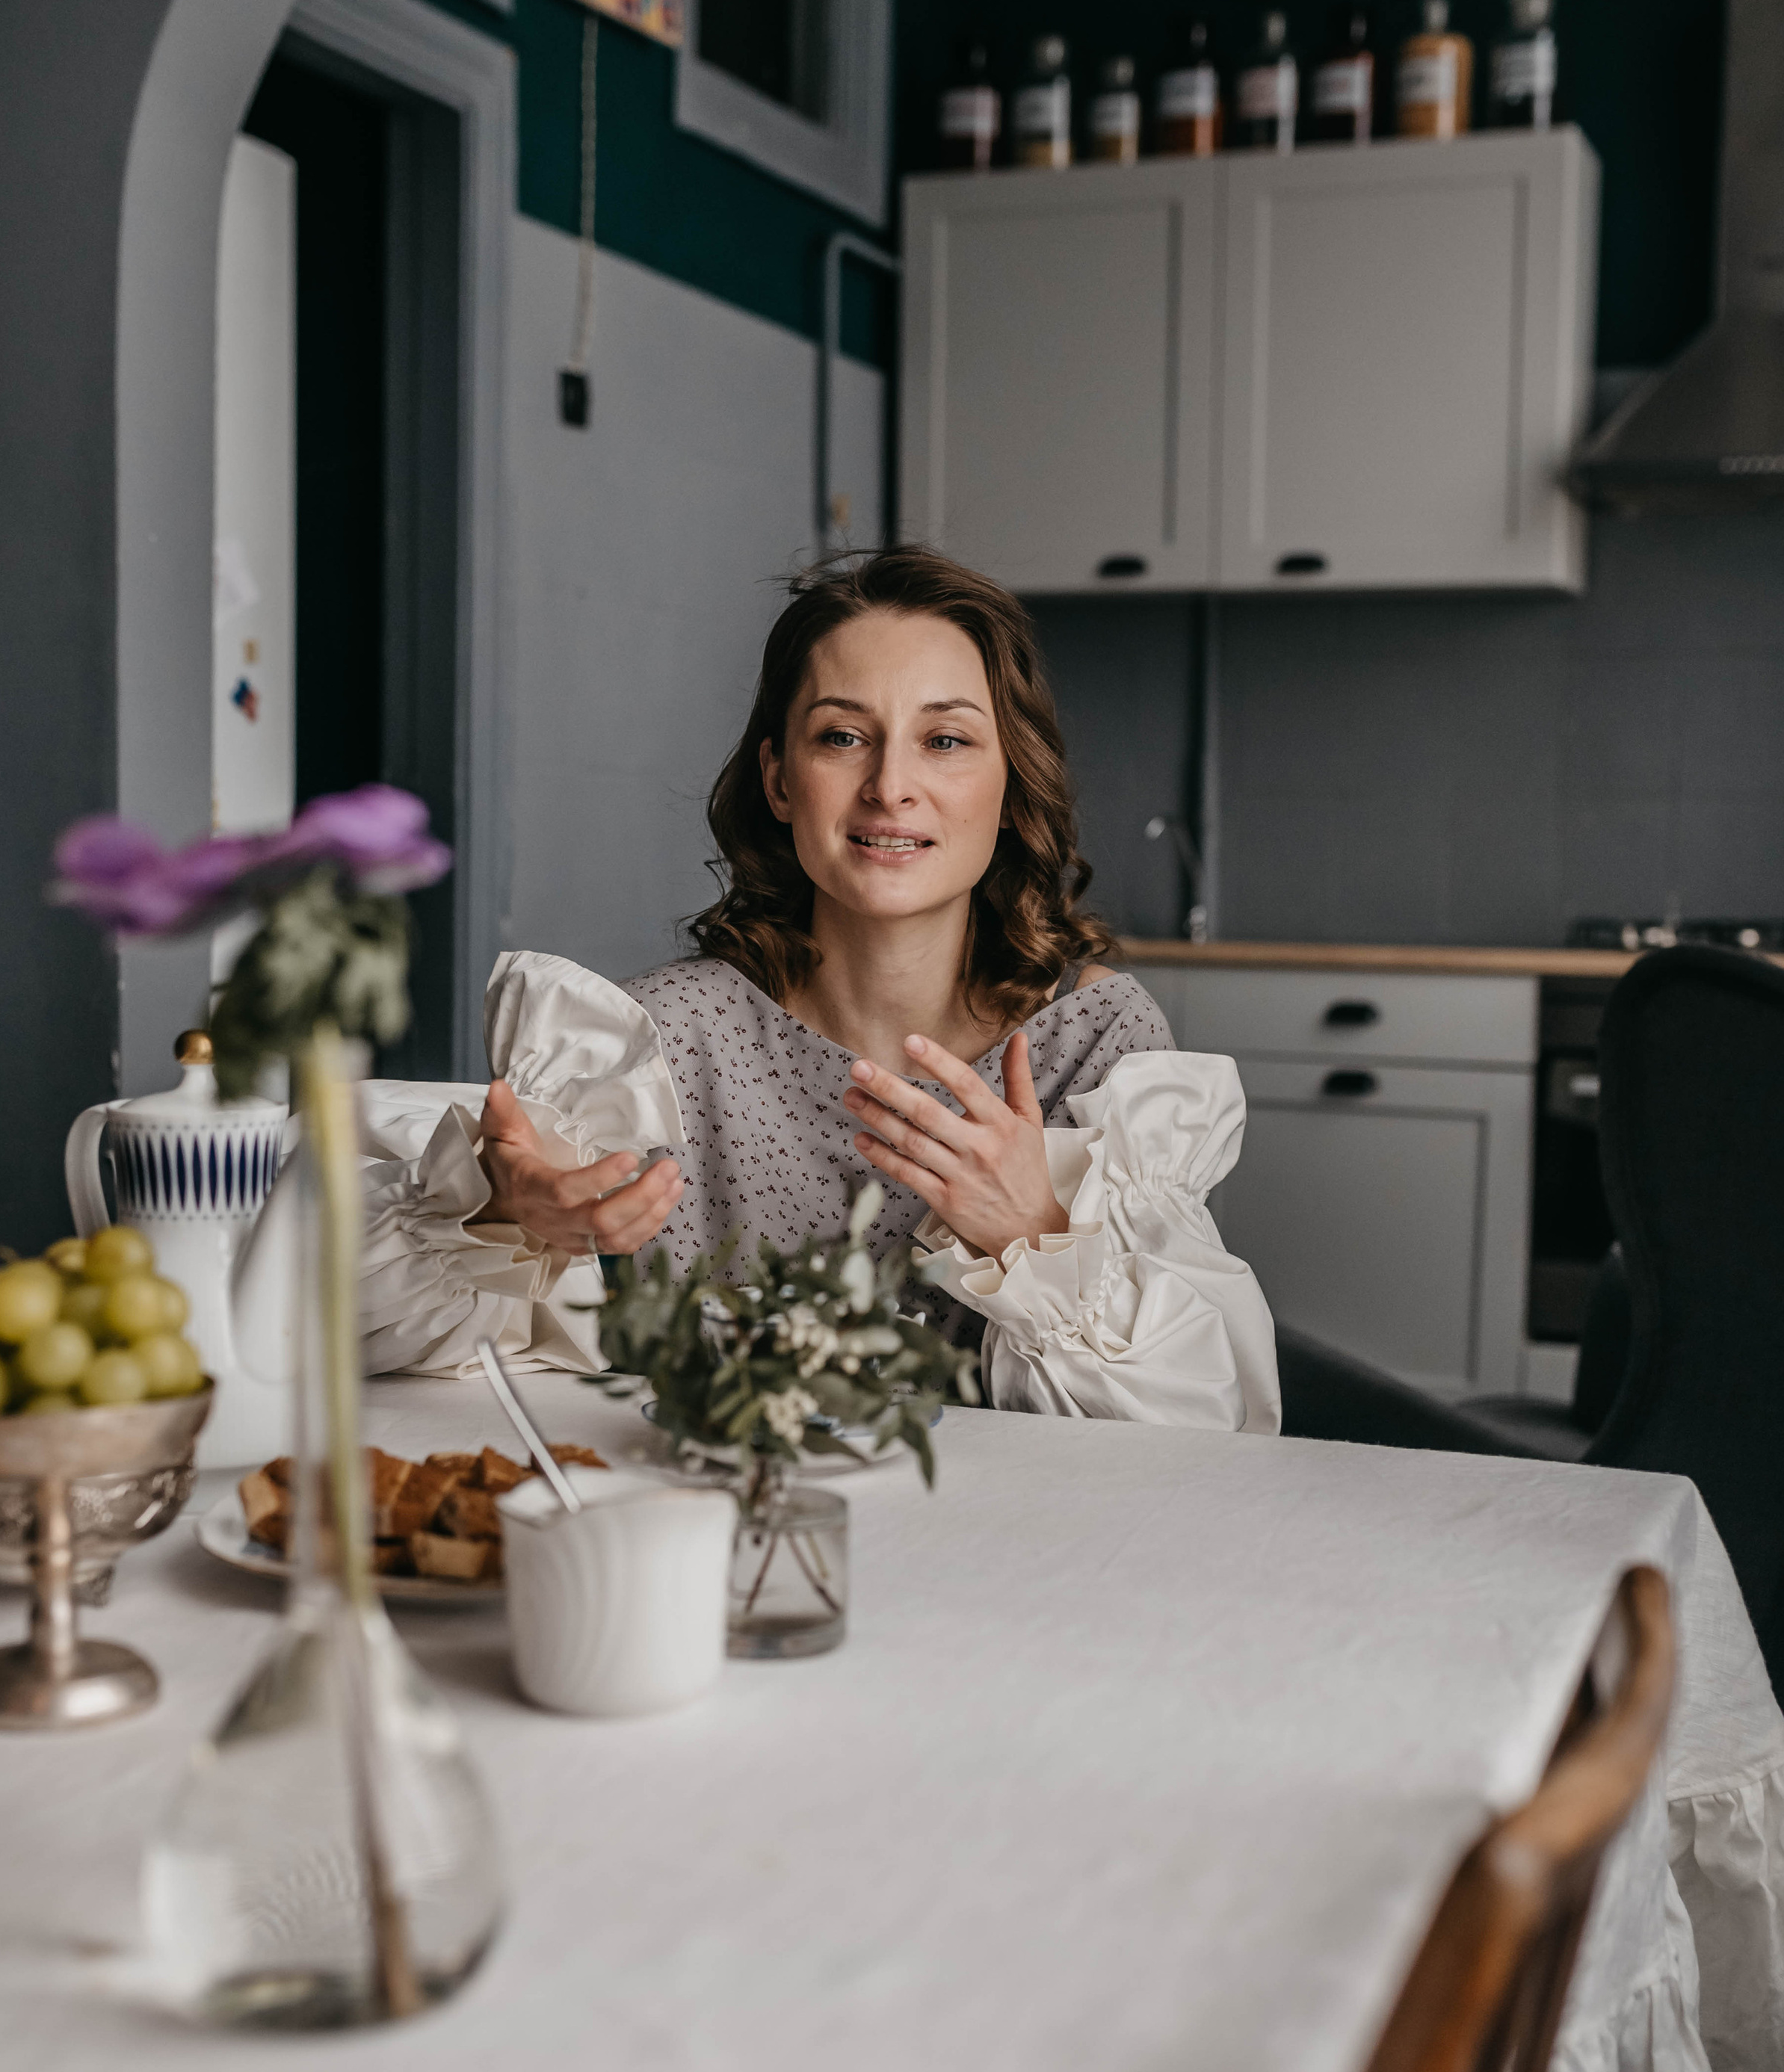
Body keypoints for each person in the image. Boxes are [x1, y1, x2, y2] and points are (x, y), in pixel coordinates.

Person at [358, 546, 1279, 1429]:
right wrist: (497, 1216)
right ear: (779, 779)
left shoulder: (1097, 1048)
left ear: (1011, 782)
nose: (891, 786)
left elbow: (1201, 1425)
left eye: (946, 739)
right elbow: (361, 1345)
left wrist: (1032, 1233)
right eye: (843, 737)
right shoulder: (644, 1042)